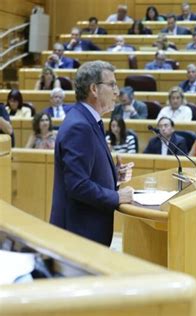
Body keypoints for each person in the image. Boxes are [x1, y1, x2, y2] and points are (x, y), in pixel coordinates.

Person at [50, 60, 134, 246]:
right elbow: (78, 185)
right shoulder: (80, 126)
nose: (117, 91)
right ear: (94, 89)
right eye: (111, 84)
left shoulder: (88, 120)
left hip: (85, 232)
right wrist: (117, 196)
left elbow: (85, 172)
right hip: (78, 235)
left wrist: (113, 175)